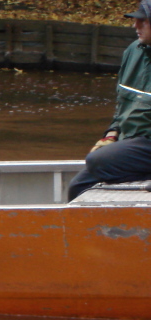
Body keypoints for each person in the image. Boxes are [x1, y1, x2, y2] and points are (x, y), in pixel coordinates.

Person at [68, 0, 151, 201]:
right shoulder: (133, 52)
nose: (135, 26)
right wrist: (112, 133)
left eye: (142, 21)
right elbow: (123, 104)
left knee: (99, 160)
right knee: (77, 186)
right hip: (134, 141)